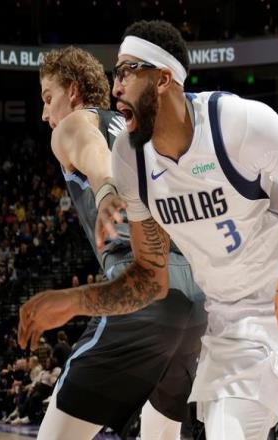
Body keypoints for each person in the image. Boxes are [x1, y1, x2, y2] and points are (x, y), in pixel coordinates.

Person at [19, 21, 278, 440]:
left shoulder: (236, 122)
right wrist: (74, 302)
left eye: (126, 72)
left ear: (163, 79)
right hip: (228, 318)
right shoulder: (130, 158)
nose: (116, 87)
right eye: (115, 74)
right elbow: (149, 279)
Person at [27, 46, 207, 440]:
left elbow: (89, 147)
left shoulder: (74, 123)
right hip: (195, 297)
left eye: (48, 98)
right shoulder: (139, 129)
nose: (45, 113)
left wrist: (106, 188)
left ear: (73, 91)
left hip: (142, 288)